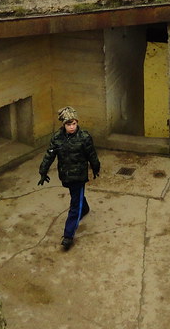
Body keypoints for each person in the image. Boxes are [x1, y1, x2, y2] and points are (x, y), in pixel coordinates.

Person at [38, 106, 101, 250]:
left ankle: (68, 235)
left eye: (74, 123)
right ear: (63, 124)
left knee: (74, 204)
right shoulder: (57, 138)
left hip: (79, 176)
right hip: (65, 176)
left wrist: (96, 167)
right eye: (68, 124)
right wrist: (43, 171)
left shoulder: (84, 137)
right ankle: (84, 208)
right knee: (77, 198)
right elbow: (49, 155)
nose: (72, 127)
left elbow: (92, 154)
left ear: (77, 122)